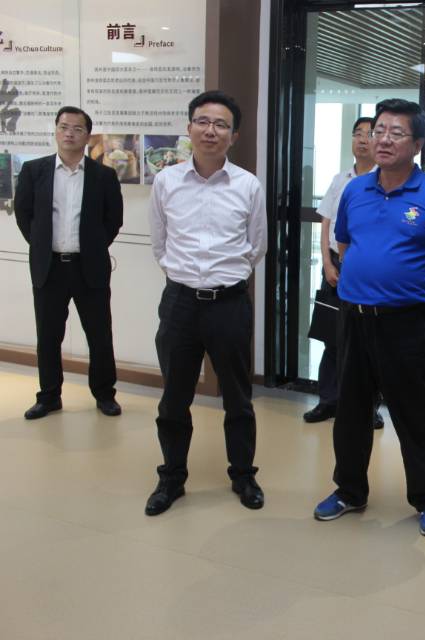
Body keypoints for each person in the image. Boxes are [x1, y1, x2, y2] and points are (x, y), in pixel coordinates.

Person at [313, 99, 425, 538]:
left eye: (396, 133)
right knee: (351, 411)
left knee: (414, 414)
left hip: (409, 323)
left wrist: (421, 296)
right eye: (378, 130)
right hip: (355, 318)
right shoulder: (355, 191)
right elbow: (345, 246)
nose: (383, 139)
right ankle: (349, 490)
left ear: (417, 144)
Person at [145, 90, 268, 516]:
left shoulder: (247, 185)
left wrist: (222, 278)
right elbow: (159, 243)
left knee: (238, 397)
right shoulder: (166, 181)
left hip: (229, 304)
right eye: (202, 121)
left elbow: (256, 246)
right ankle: (171, 478)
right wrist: (184, 277)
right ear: (189, 128)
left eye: (220, 124)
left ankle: (243, 474)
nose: (210, 131)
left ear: (234, 135)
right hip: (179, 303)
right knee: (174, 398)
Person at [14, 106, 123, 420]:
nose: (69, 133)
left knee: (99, 336)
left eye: (77, 128)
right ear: (56, 130)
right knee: (48, 337)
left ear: (87, 136)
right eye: (63, 127)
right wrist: (40, 245)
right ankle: (49, 397)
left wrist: (93, 248)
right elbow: (24, 215)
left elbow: (113, 219)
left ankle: (105, 394)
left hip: (89, 267)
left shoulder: (104, 175)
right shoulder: (34, 171)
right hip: (49, 268)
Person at [303, 116, 384, 430]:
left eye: (369, 133)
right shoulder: (340, 179)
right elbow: (325, 222)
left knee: (369, 340)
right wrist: (326, 263)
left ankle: (369, 406)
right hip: (336, 265)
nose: (363, 139)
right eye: (357, 133)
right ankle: (328, 400)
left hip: (367, 270)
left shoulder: (383, 180)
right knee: (331, 337)